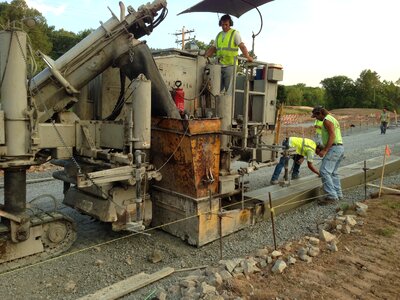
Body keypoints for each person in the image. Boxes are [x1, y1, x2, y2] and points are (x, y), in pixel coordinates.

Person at [204, 14, 253, 93]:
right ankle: (217, 104)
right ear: (220, 24)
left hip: (230, 66)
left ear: (230, 23)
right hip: (219, 66)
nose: (224, 26)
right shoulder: (219, 35)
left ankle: (228, 105)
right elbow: (213, 48)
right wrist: (205, 56)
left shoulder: (234, 33)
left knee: (229, 90)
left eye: (226, 24)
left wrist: (247, 56)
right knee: (216, 89)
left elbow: (242, 46)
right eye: (223, 24)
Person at [311, 106, 344, 204]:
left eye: (316, 116)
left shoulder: (326, 120)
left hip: (334, 148)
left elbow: (332, 135)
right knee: (333, 172)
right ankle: (338, 194)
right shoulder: (332, 118)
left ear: (320, 113)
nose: (316, 119)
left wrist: (325, 150)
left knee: (324, 171)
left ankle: (332, 196)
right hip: (339, 147)